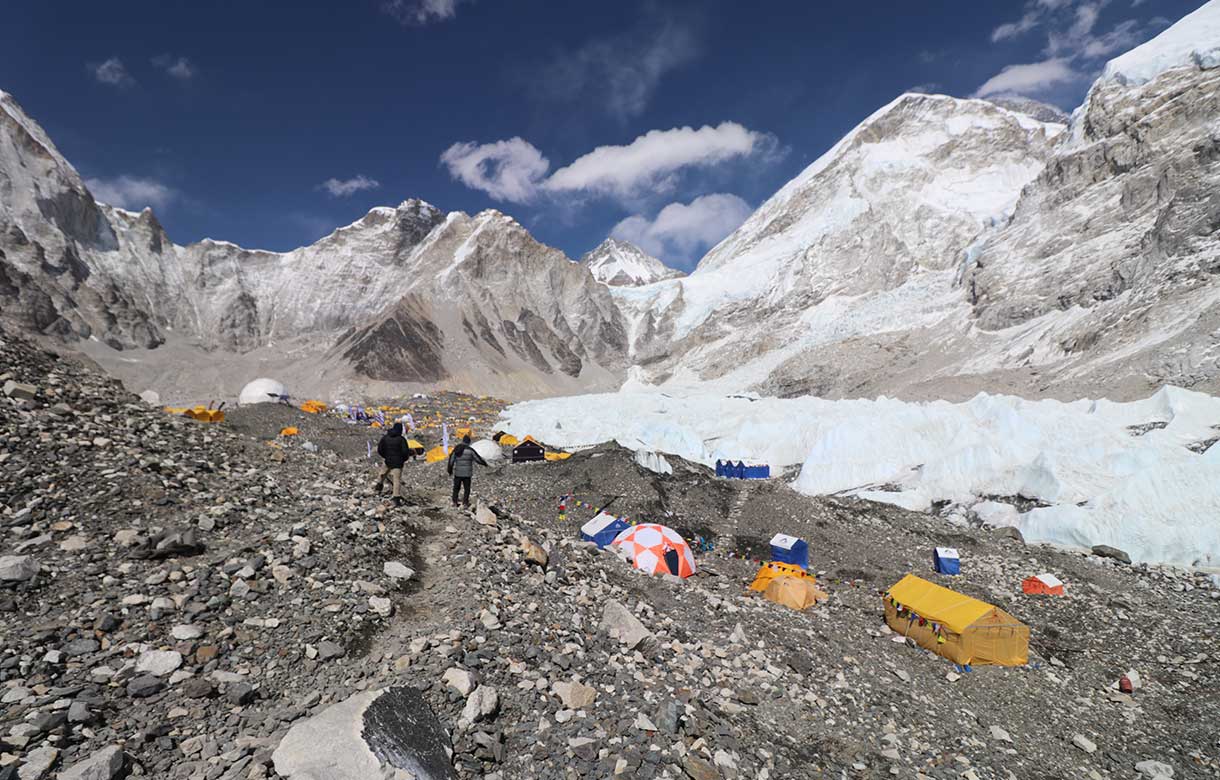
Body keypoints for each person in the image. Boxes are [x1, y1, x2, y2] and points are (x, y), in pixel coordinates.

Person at [447, 435, 487, 509]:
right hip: (467, 474)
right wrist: (485, 464)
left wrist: (450, 470)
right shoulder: (470, 450)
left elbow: (451, 460)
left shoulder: (457, 449)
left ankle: (454, 502)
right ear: (468, 442)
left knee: (456, 488)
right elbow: (477, 459)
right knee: (467, 489)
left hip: (458, 473)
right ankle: (465, 503)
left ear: (463, 440)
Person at [375, 422, 411, 505]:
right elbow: (405, 452)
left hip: (388, 460)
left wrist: (386, 456)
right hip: (398, 462)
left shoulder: (385, 438)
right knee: (396, 480)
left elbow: (380, 449)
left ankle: (378, 488)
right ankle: (396, 497)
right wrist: (403, 459)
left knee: (382, 474)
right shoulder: (401, 439)